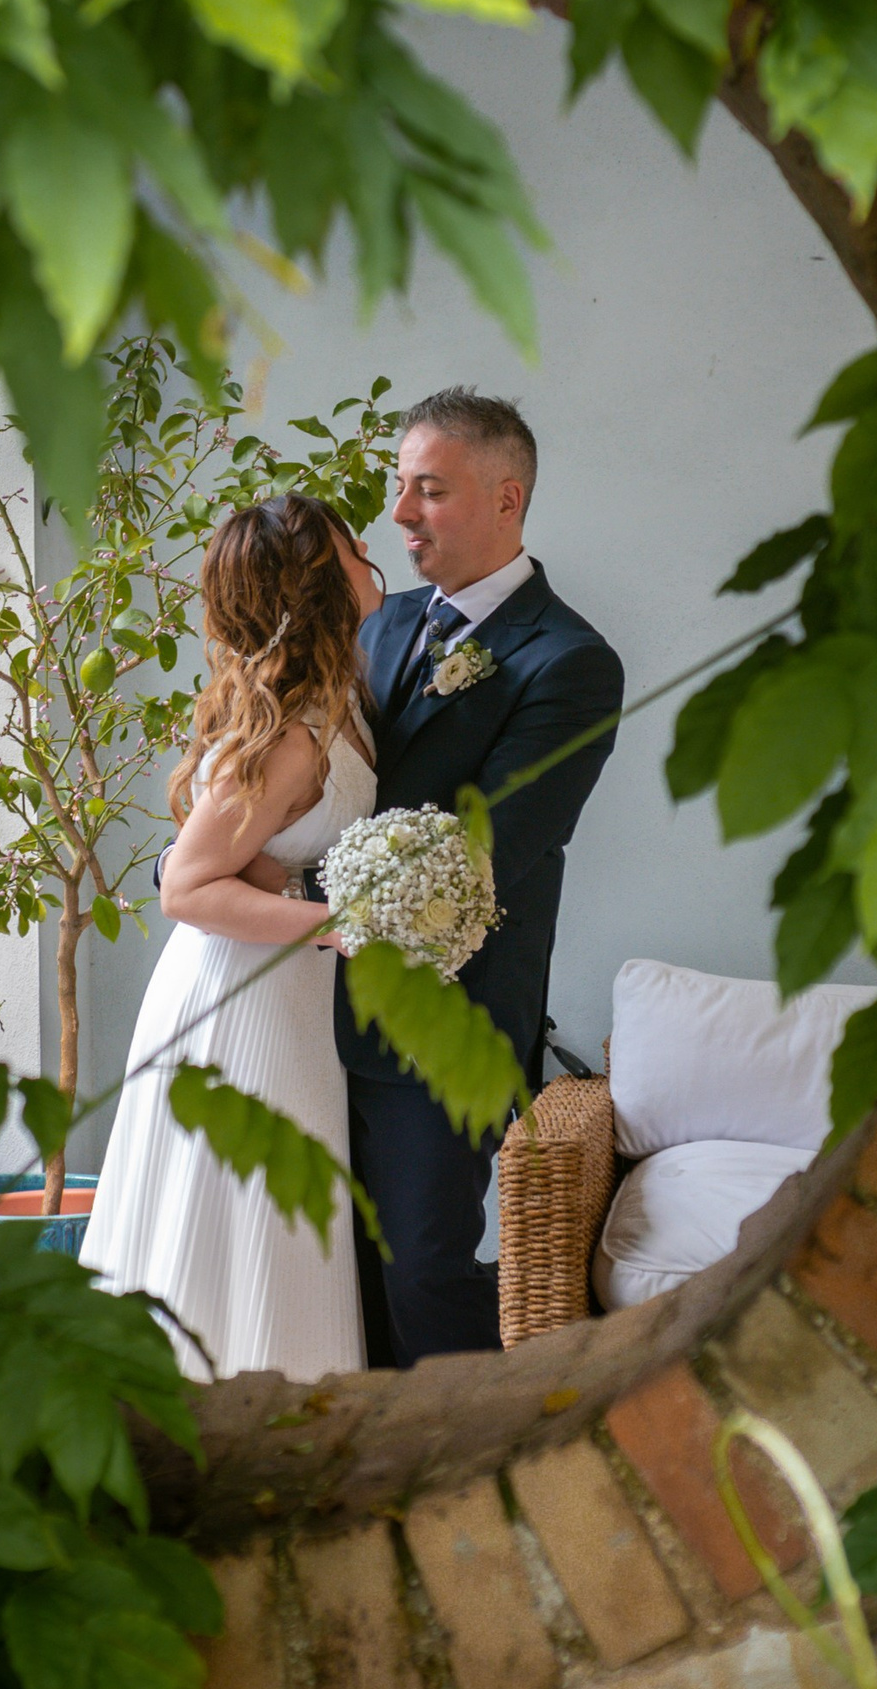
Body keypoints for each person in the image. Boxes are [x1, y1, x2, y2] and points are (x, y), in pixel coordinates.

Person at [332, 391, 623, 1365]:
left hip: (444, 1022)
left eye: (430, 491)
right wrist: (201, 863)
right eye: (399, 489)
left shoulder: (572, 662)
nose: (403, 515)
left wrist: (254, 901)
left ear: (506, 500)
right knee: (320, 1263)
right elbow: (299, 782)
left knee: (418, 1271)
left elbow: (478, 861)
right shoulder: (374, 626)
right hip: (302, 1002)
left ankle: (464, 1464)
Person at [84, 495, 383, 1382]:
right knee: (241, 1221)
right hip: (239, 1002)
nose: (372, 555)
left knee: (276, 1228)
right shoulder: (293, 735)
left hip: (286, 991)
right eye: (350, 548)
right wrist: (337, 923)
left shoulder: (336, 699)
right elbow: (184, 883)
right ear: (323, 587)